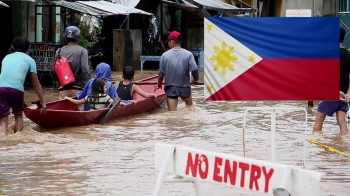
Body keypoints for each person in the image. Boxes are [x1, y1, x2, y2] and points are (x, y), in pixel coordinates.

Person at [0, 36, 46, 134]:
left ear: (13, 47)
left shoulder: (6, 57)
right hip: (16, 91)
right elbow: (35, 83)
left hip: (1, 89)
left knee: (3, 121)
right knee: (18, 116)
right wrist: (43, 101)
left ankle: (3, 140)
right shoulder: (30, 60)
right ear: (27, 48)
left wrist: (21, 98)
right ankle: (19, 141)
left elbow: (9, 78)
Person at [313, 27, 350, 133]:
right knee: (341, 121)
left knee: (319, 119)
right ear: (344, 37)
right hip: (344, 97)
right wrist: (348, 94)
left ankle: (315, 145)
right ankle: (344, 145)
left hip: (331, 94)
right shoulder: (348, 55)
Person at [154, 31, 199, 111]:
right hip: (185, 87)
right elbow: (194, 69)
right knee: (190, 108)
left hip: (171, 88)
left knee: (172, 114)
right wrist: (196, 79)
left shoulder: (164, 56)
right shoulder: (188, 54)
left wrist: (159, 84)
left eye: (168, 42)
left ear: (172, 42)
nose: (168, 44)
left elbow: (161, 74)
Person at [56, 26, 91, 100]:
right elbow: (85, 70)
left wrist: (58, 87)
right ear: (78, 38)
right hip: (78, 88)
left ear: (65, 38)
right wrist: (90, 85)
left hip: (63, 89)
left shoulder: (58, 51)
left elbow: (55, 70)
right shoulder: (83, 51)